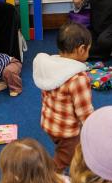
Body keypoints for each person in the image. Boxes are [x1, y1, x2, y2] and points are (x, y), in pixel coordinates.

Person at [32, 22, 94, 171]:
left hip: (49, 123)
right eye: (88, 50)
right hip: (67, 131)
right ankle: (51, 181)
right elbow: (85, 113)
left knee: (65, 151)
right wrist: (96, 131)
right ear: (81, 49)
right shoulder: (78, 78)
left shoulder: (50, 67)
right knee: (63, 160)